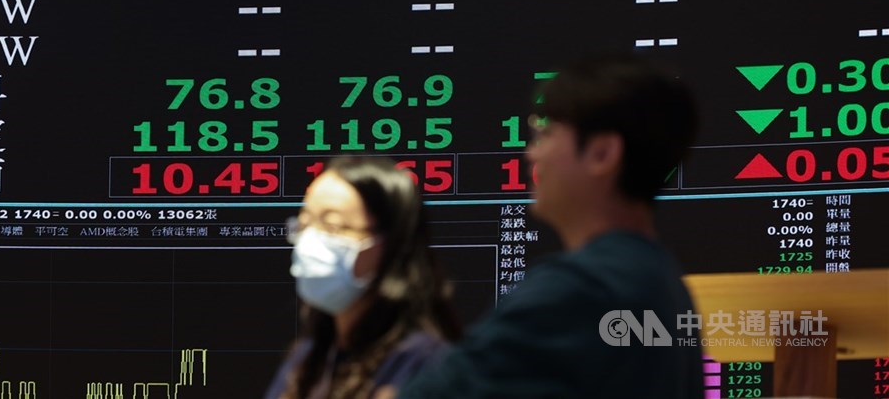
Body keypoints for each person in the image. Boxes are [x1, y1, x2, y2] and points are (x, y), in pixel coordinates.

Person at [397, 53, 705, 398]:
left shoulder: (580, 290)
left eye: (545, 134)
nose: (532, 154)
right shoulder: (666, 284)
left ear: (602, 154)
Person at [265, 156, 460, 399]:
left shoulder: (427, 365)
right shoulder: (307, 358)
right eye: (304, 224)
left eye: (333, 225)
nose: (309, 241)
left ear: (392, 243)